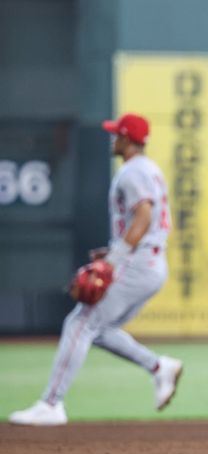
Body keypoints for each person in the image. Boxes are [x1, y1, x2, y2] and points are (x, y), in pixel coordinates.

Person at [9, 113, 183, 426]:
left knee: (79, 322)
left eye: (117, 134)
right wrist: (114, 251)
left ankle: (51, 404)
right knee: (98, 329)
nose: (113, 138)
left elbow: (143, 216)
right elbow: (147, 221)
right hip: (151, 261)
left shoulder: (133, 172)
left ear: (129, 139)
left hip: (139, 261)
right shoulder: (149, 169)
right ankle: (159, 367)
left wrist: (112, 260)